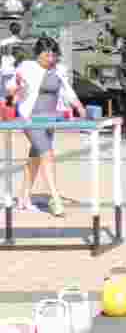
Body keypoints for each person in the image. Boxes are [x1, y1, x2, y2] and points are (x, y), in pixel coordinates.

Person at [5, 37, 86, 216]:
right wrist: (15, 89)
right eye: (46, 55)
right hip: (31, 119)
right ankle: (55, 198)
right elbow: (10, 87)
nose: (50, 58)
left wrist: (79, 107)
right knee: (47, 155)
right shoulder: (27, 67)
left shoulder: (59, 70)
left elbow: (67, 92)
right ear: (38, 54)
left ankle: (23, 199)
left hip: (50, 119)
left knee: (36, 157)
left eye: (53, 55)